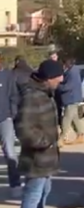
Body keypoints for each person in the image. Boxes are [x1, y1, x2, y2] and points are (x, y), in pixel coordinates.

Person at [16, 60, 63, 208]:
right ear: (48, 78)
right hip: (37, 159)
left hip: (46, 158)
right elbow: (24, 129)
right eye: (58, 77)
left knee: (44, 191)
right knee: (33, 195)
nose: (61, 80)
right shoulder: (32, 97)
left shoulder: (46, 94)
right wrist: (45, 142)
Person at [0, 56, 20, 197]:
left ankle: (15, 184)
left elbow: (14, 96)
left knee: (9, 152)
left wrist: (11, 114)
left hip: (4, 119)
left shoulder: (8, 76)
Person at [57, 58, 84, 146]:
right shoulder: (72, 71)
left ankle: (61, 138)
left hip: (71, 98)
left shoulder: (72, 72)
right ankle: (80, 135)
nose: (63, 65)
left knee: (67, 118)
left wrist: (58, 86)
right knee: (74, 118)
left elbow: (68, 86)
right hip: (73, 98)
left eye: (64, 63)